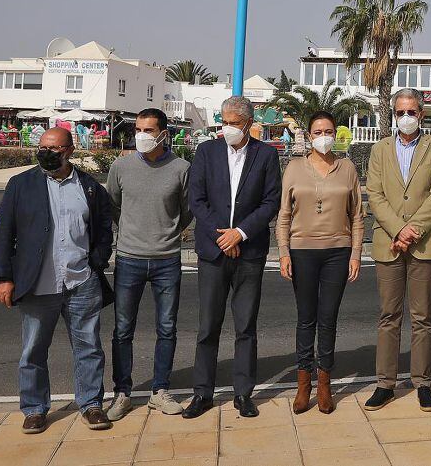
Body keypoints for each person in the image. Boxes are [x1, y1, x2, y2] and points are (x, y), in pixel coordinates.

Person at [0, 127, 115, 434]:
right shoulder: (21, 184)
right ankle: (34, 409)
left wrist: (96, 261)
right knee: (33, 350)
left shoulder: (88, 187)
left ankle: (91, 404)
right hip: (37, 284)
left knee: (88, 347)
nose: (46, 154)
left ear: (70, 151)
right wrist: (4, 278)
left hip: (80, 281)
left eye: (54, 149)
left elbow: (102, 229)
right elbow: (4, 234)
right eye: (43, 148)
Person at [183, 96, 282, 420]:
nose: (227, 129)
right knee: (208, 326)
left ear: (248, 123)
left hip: (249, 252)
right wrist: (222, 236)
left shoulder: (266, 155)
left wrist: (239, 233)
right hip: (213, 252)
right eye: (223, 122)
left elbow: (270, 202)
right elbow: (196, 199)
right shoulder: (206, 152)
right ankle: (202, 393)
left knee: (245, 326)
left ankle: (243, 394)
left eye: (234, 123)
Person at [363, 88, 431, 413]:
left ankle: (422, 382)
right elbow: (375, 194)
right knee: (388, 315)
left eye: (411, 111)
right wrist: (398, 230)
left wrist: (413, 230)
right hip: (389, 242)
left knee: (422, 316)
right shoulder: (379, 150)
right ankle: (385, 383)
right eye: (400, 112)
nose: (406, 117)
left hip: (424, 243)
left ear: (421, 114)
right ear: (393, 114)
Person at [105, 108, 192, 421]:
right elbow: (113, 205)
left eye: (149, 130)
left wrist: (167, 231)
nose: (142, 135)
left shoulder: (181, 168)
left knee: (167, 328)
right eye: (138, 129)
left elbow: (187, 210)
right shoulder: (120, 166)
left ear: (164, 133)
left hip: (167, 259)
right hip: (129, 258)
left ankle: (160, 391)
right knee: (122, 330)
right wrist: (129, 231)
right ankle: (122, 393)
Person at [277, 111, 363, 414]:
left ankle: (325, 383)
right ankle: (304, 385)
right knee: (306, 319)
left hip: (337, 253)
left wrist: (355, 254)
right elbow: (284, 215)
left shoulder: (347, 168)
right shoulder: (294, 168)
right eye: (317, 131)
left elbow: (357, 216)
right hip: (302, 252)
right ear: (309, 136)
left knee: (328, 319)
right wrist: (284, 252)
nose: (323, 136)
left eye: (328, 131)